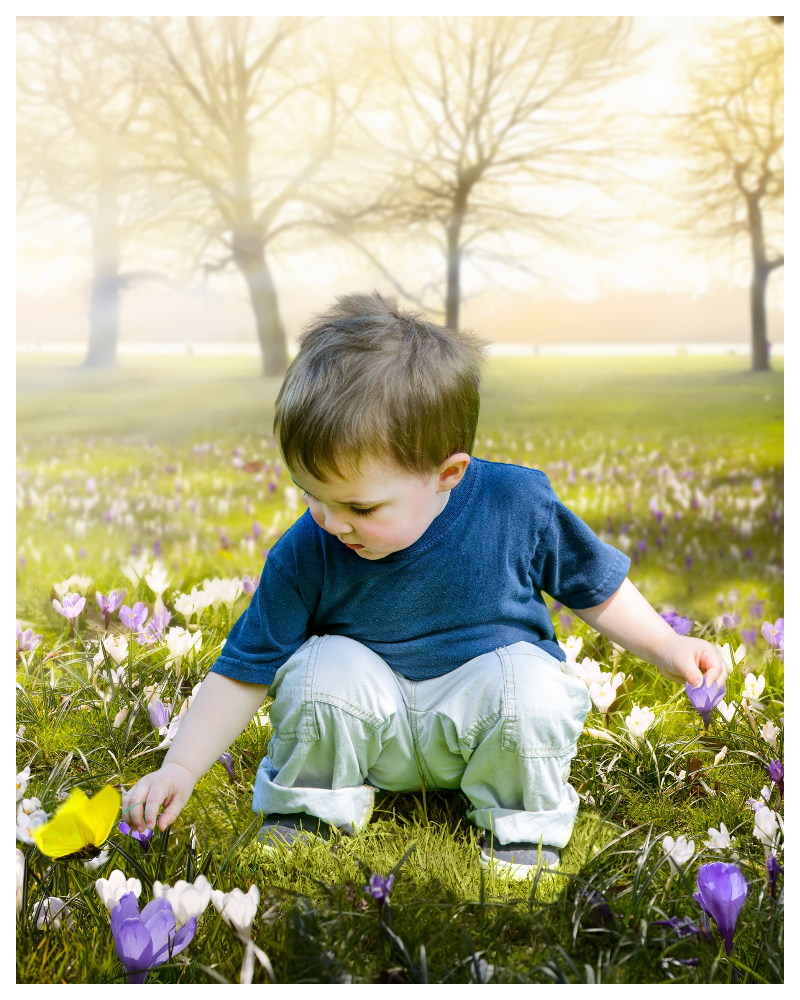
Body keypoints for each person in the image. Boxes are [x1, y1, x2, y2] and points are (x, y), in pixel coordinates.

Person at [123, 292, 726, 878]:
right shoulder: (309, 549)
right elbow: (244, 668)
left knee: (532, 688)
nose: (332, 522)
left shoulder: (516, 505)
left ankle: (521, 826)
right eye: (311, 494)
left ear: (447, 474)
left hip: (484, 723)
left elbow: (594, 585)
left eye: (358, 505)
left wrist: (665, 645)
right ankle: (309, 811)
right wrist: (181, 765)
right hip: (372, 729)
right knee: (316, 669)